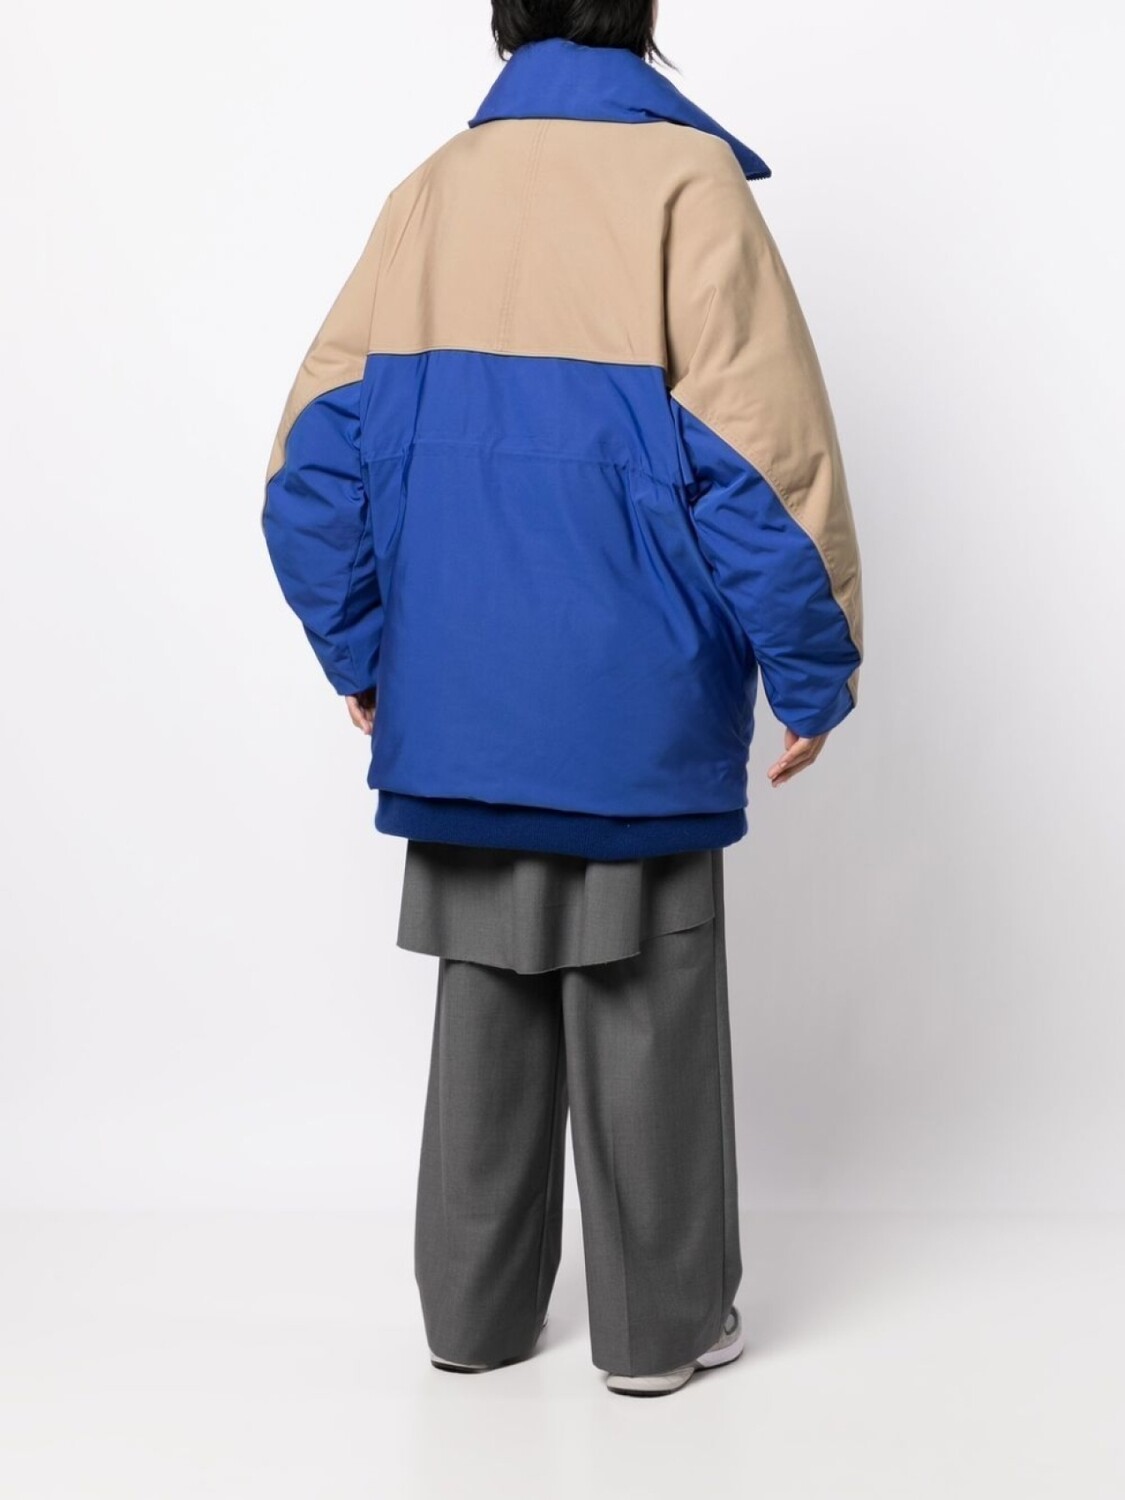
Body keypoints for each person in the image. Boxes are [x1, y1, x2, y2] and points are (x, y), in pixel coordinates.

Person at [261, 0, 863, 1397]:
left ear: (507, 21)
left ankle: (470, 1322)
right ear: (639, 19)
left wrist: (365, 651)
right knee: (647, 996)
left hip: (457, 703)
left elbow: (312, 462)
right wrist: (812, 666)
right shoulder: (685, 185)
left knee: (485, 998)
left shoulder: (428, 195)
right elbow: (760, 463)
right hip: (633, 701)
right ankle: (660, 1333)